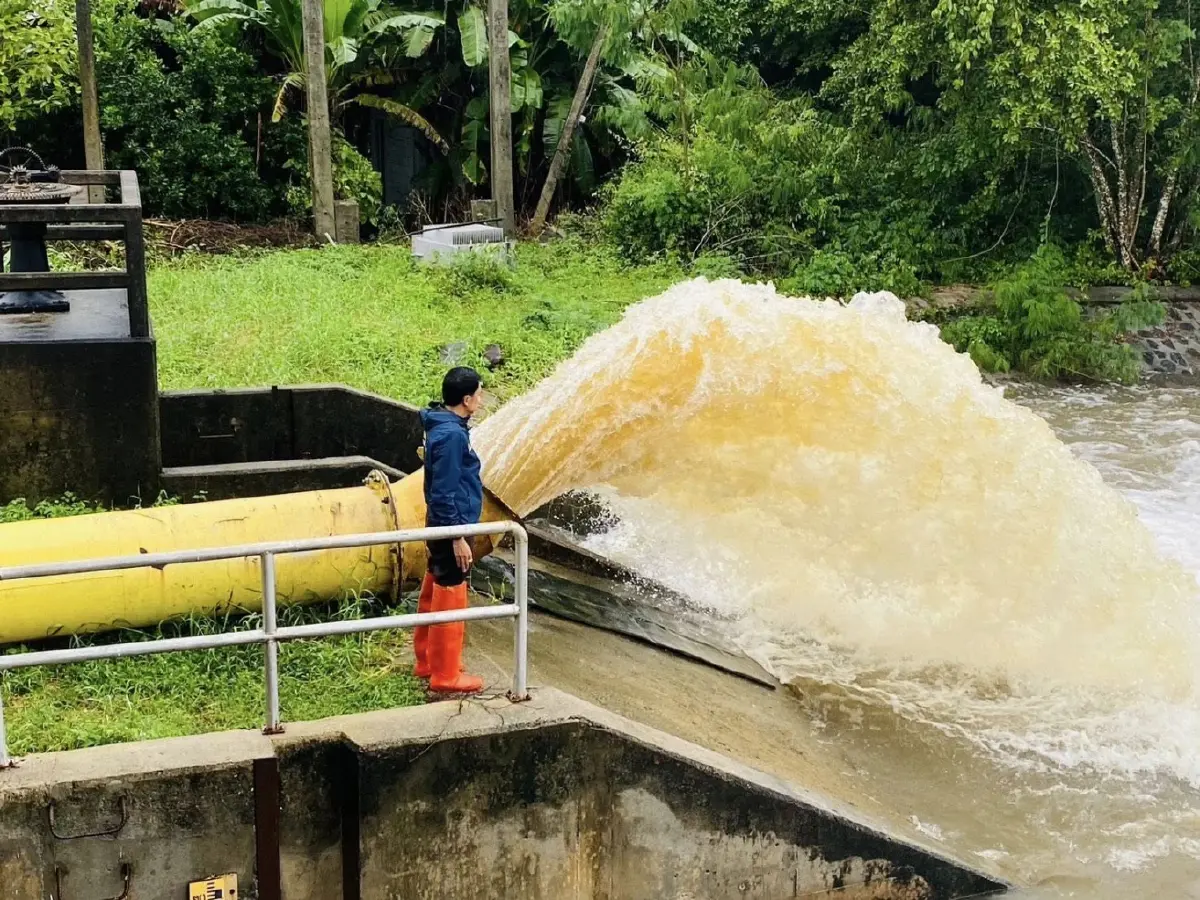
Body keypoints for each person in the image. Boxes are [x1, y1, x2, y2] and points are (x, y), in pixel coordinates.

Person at [412, 366, 486, 694]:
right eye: (479, 394)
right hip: (451, 524)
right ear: (466, 400)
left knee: (436, 582)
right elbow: (444, 491)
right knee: (451, 591)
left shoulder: (441, 424)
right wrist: (458, 536)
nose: (482, 399)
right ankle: (445, 675)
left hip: (441, 522)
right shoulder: (453, 436)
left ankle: (427, 659)